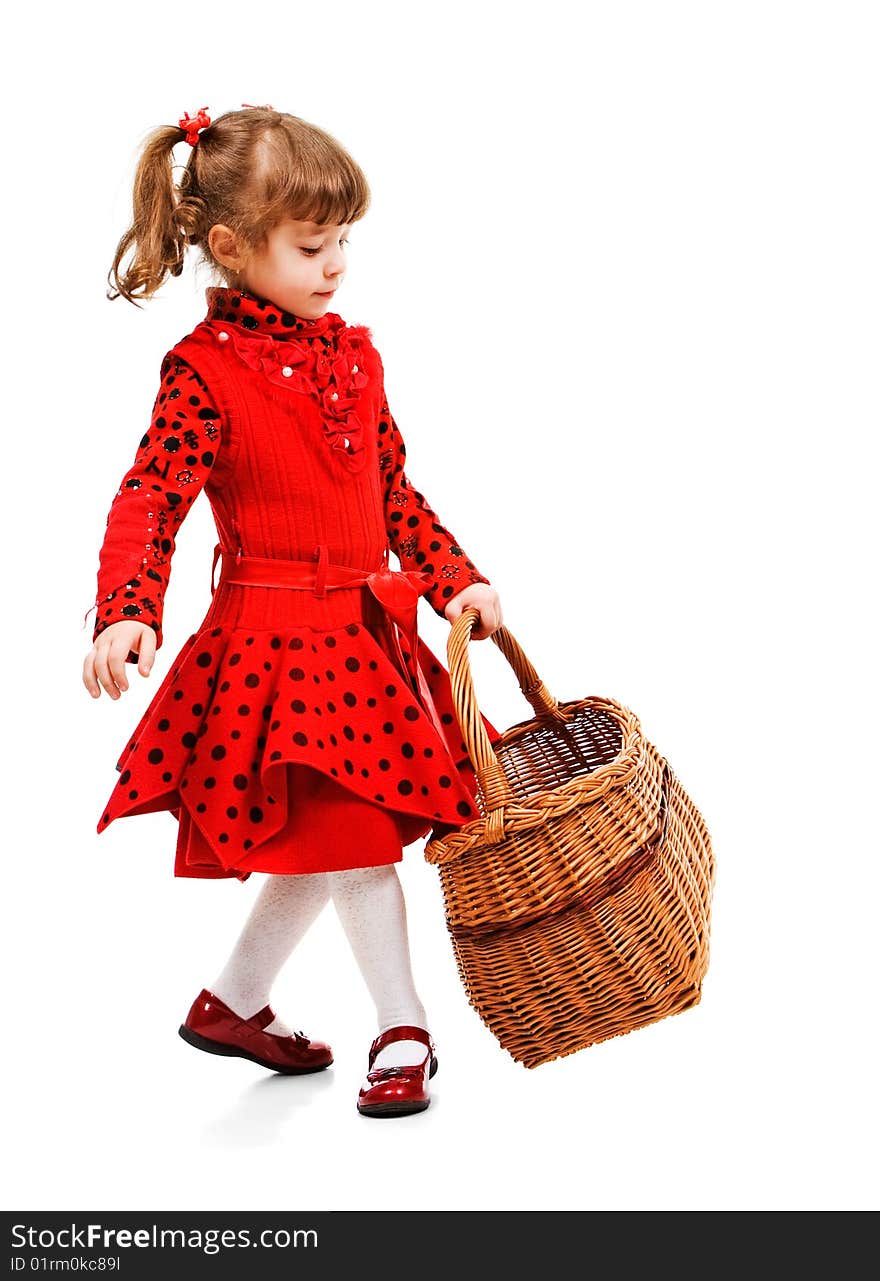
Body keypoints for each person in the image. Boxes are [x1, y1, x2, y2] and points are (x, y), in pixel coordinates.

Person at [82, 104, 504, 1119]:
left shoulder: (355, 360)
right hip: (273, 651)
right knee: (352, 837)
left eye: (344, 240)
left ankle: (232, 1002)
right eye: (312, 245)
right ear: (230, 248)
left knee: (326, 836)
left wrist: (453, 578)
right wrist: (124, 608)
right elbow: (150, 496)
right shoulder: (204, 375)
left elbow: (394, 494)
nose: (337, 264)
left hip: (363, 642)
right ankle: (404, 1027)